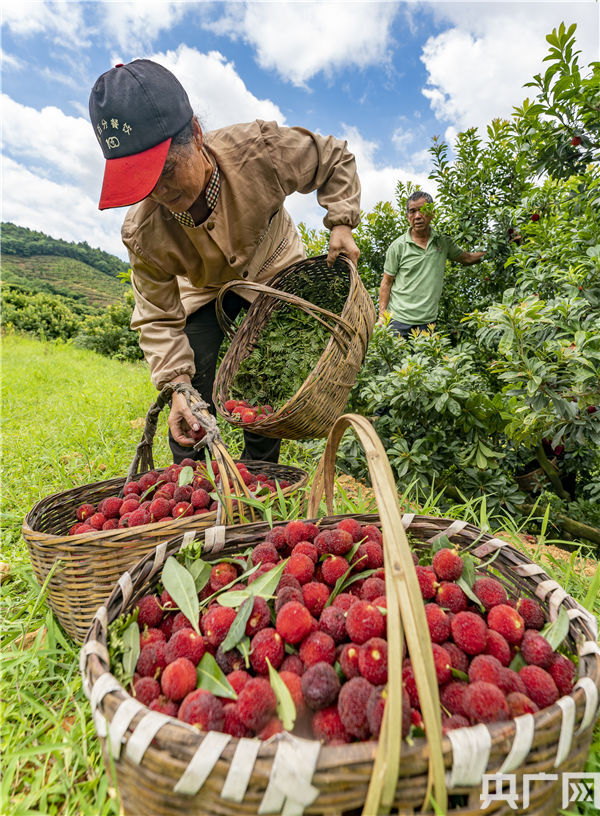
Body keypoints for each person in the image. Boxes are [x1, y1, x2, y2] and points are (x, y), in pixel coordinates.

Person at [89, 59, 361, 463]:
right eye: (143, 183)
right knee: (193, 389)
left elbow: (333, 157)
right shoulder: (142, 232)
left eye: (166, 169)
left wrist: (341, 222)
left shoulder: (260, 151)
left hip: (274, 273)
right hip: (200, 290)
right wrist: (177, 386)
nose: (160, 190)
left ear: (196, 134)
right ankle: (189, 486)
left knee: (265, 381)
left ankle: (261, 476)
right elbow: (157, 317)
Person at [378, 191, 485, 337]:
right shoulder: (398, 246)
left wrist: (494, 252)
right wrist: (382, 316)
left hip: (427, 322)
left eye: (423, 210)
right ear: (407, 216)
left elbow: (467, 258)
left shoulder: (443, 242)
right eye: (412, 211)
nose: (417, 216)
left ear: (432, 213)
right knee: (394, 360)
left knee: (425, 360)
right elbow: (387, 282)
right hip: (398, 321)